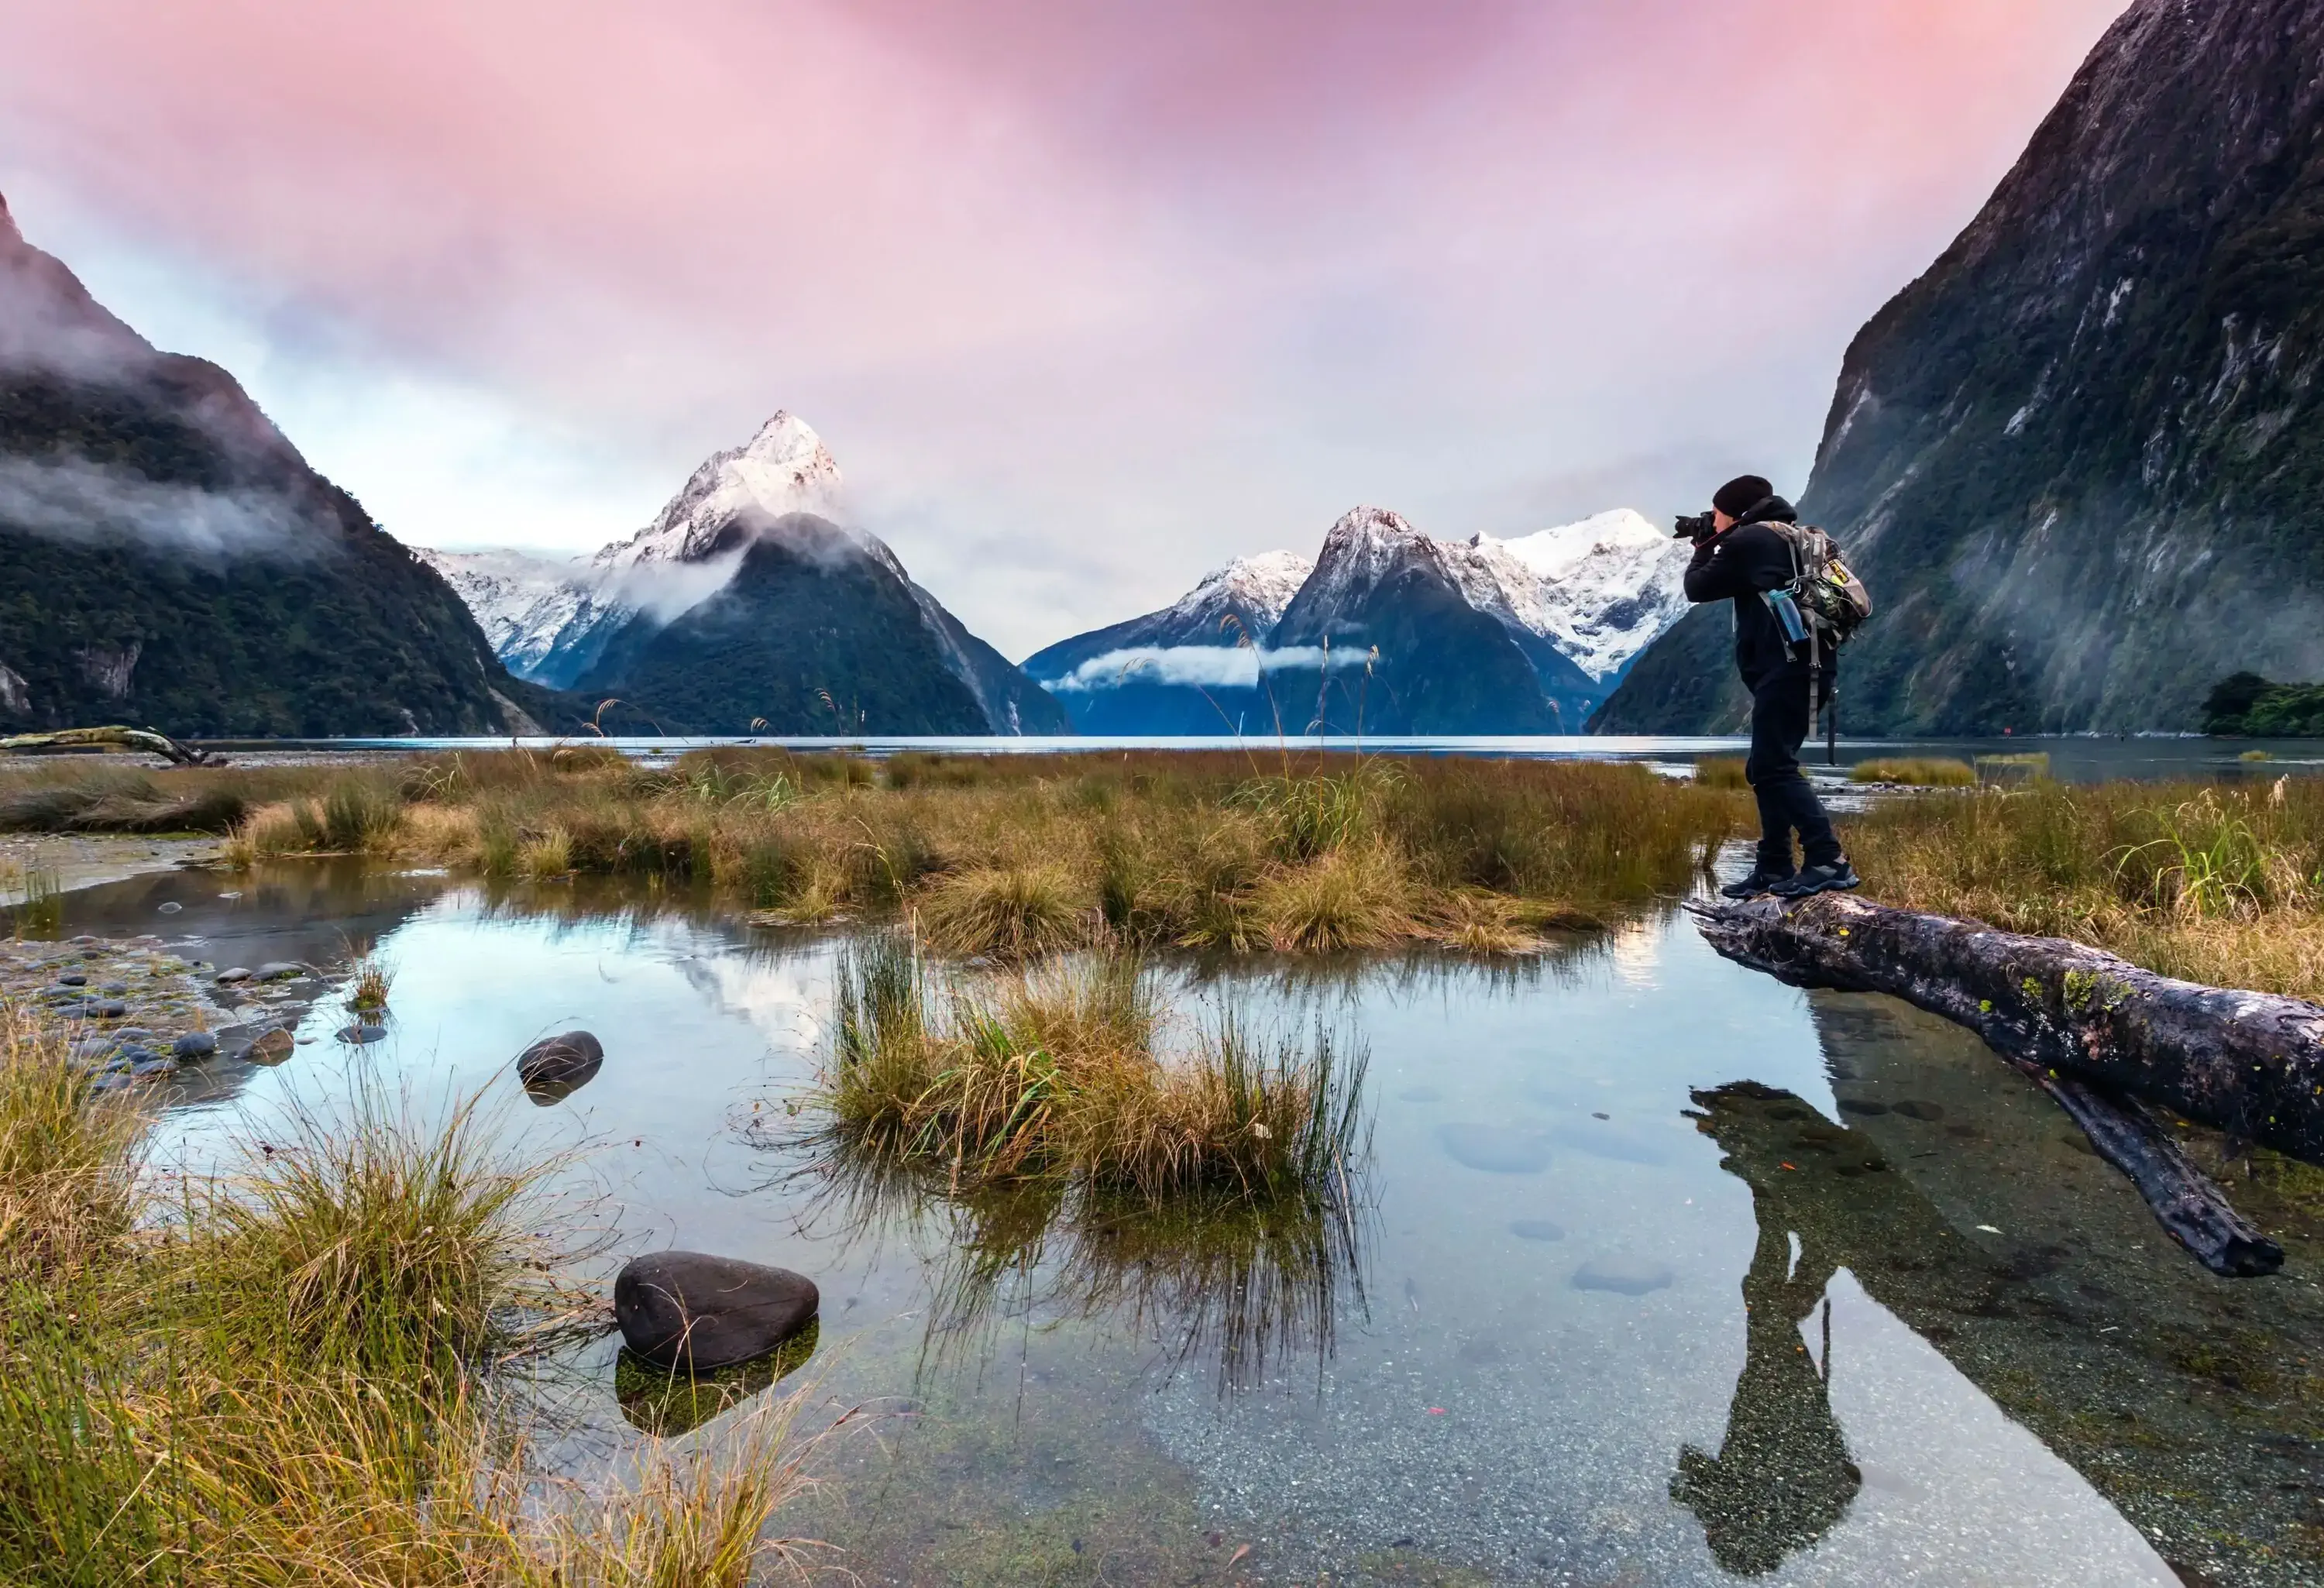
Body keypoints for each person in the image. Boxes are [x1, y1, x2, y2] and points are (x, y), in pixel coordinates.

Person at [1684, 475, 1858, 898]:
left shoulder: (1749, 542)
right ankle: (1774, 865)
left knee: (1770, 767)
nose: (1714, 517)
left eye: (1718, 511)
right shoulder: (1794, 538)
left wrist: (1703, 543)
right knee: (1771, 766)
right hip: (1811, 666)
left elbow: (1696, 587)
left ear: (1736, 512)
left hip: (1787, 670)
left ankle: (1827, 859)